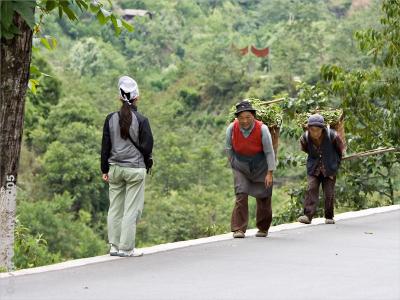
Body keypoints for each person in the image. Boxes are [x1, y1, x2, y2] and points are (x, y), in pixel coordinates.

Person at [101, 76, 153, 257]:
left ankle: (114, 247)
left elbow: (105, 147)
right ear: (137, 97)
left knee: (115, 208)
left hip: (114, 169)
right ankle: (126, 248)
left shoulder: (110, 119)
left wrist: (104, 170)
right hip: (135, 170)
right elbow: (147, 147)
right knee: (131, 209)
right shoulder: (142, 120)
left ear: (119, 97)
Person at [226, 100, 276, 238]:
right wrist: (233, 162)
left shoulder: (263, 129)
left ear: (253, 116)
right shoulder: (232, 128)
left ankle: (263, 228)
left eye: (248, 117)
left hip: (261, 166)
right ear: (237, 118)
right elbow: (229, 147)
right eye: (241, 118)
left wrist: (269, 172)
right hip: (241, 166)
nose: (245, 121)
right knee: (241, 194)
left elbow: (269, 152)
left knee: (264, 196)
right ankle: (239, 229)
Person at [297, 114, 345, 225]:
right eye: (312, 130)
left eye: (317, 130)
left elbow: (340, 150)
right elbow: (305, 148)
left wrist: (335, 163)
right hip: (313, 168)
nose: (315, 133)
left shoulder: (333, 136)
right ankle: (307, 216)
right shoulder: (305, 138)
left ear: (322, 129)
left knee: (329, 193)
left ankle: (329, 216)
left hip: (329, 168)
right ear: (309, 129)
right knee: (311, 188)